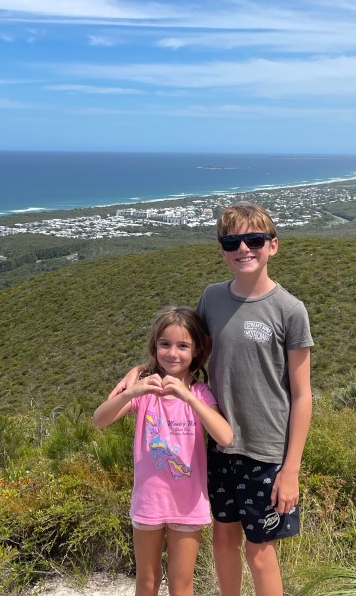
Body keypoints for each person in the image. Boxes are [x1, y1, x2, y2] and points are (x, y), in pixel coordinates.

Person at [111, 203, 313, 596]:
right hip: (219, 447)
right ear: (222, 249)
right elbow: (183, 350)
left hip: (266, 450)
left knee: (260, 551)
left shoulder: (290, 310)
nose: (244, 248)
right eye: (232, 241)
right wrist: (140, 371)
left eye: (254, 240)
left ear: (273, 245)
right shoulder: (212, 298)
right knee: (223, 541)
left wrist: (291, 469)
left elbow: (302, 395)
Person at [94, 306, 233, 596]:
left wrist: (188, 397)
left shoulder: (200, 393)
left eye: (183, 346)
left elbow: (225, 436)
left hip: (188, 504)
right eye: (165, 344)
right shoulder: (144, 392)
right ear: (155, 346)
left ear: (196, 350)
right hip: (149, 501)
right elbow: (100, 420)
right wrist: (133, 391)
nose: (173, 353)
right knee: (146, 581)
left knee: (181, 585)